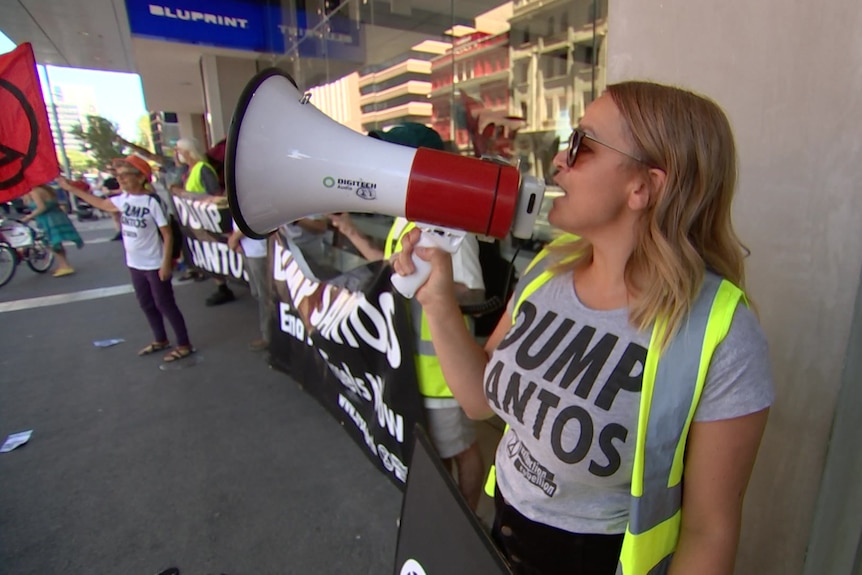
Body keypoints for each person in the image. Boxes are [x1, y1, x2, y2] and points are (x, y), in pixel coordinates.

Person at [391, 82, 775, 575]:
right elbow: (479, 399)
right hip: (500, 539)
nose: (557, 162)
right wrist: (439, 301)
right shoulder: (547, 269)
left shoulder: (722, 335)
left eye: (581, 146)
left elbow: (709, 532)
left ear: (644, 186)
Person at [329, 123, 487, 511]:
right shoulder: (407, 219)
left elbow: (475, 293)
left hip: (443, 377)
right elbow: (390, 272)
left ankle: (465, 524)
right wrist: (350, 231)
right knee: (437, 456)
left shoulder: (450, 227)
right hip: (412, 370)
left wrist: (436, 291)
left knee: (459, 452)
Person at [58, 155, 195, 363]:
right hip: (135, 264)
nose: (120, 179)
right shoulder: (125, 199)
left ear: (141, 177)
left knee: (165, 304)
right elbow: (103, 204)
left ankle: (184, 344)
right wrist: (73, 190)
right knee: (146, 303)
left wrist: (166, 263)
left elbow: (168, 234)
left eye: (125, 175)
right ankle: (161, 339)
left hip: (154, 263)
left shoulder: (151, 201)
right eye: (118, 175)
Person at [174, 137, 236, 306]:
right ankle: (220, 285)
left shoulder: (203, 169)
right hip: (198, 222)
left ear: (187, 152)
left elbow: (214, 194)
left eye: (178, 151)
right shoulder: (189, 170)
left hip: (209, 221)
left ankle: (223, 286)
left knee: (217, 252)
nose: (176, 154)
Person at [20, 183, 84, 277]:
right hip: (56, 217)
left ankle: (64, 266)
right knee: (56, 242)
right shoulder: (47, 190)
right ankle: (63, 264)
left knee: (51, 242)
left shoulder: (34, 191)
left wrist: (28, 217)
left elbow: (41, 207)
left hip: (48, 219)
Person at [227, 228, 270, 351]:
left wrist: (235, 238)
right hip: (249, 247)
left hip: (259, 249)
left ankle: (269, 336)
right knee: (257, 292)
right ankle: (271, 332)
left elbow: (252, 222)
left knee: (265, 296)